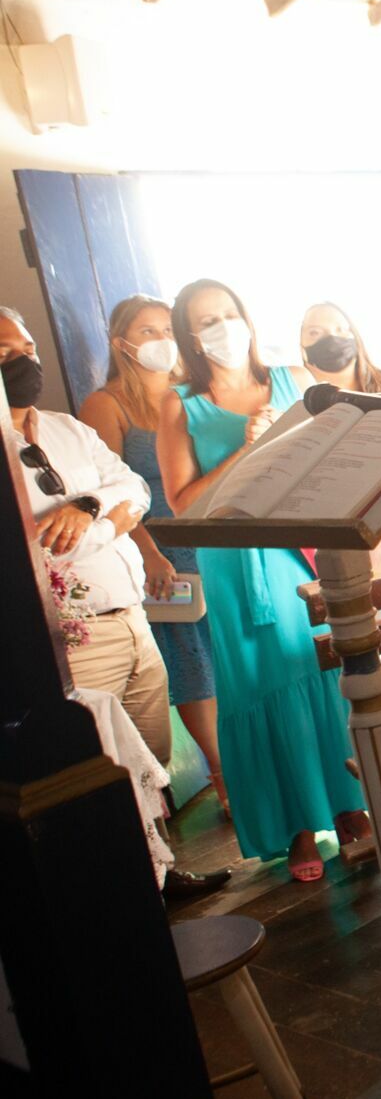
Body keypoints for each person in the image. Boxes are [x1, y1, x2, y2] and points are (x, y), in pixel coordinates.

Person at [2, 305, 236, 903]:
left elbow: (132, 486)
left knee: (149, 757)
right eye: (4, 354)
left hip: (131, 615)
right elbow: (36, 545)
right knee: (100, 771)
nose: (22, 362)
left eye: (27, 349)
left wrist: (86, 510)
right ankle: (124, 898)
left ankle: (162, 871)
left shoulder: (64, 429)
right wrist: (110, 521)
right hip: (72, 633)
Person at [154, 279, 369, 880]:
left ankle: (349, 805)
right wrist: (245, 451)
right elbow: (182, 502)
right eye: (207, 321)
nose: (223, 327)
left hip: (298, 548)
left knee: (318, 668)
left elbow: (333, 461)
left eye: (229, 313)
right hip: (230, 561)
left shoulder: (293, 379)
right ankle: (295, 827)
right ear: (190, 336)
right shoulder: (180, 404)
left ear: (247, 318)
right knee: (258, 681)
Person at [78, 294, 223, 814]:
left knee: (226, 654)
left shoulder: (190, 393)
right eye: (148, 331)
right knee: (191, 661)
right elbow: (112, 491)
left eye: (167, 329)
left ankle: (249, 764)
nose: (162, 339)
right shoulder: (107, 404)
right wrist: (151, 554)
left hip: (211, 541)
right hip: (157, 551)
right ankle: (222, 773)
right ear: (122, 343)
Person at [297, 302, 381, 395]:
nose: (332, 337)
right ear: (300, 341)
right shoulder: (292, 388)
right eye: (315, 332)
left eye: (341, 329)